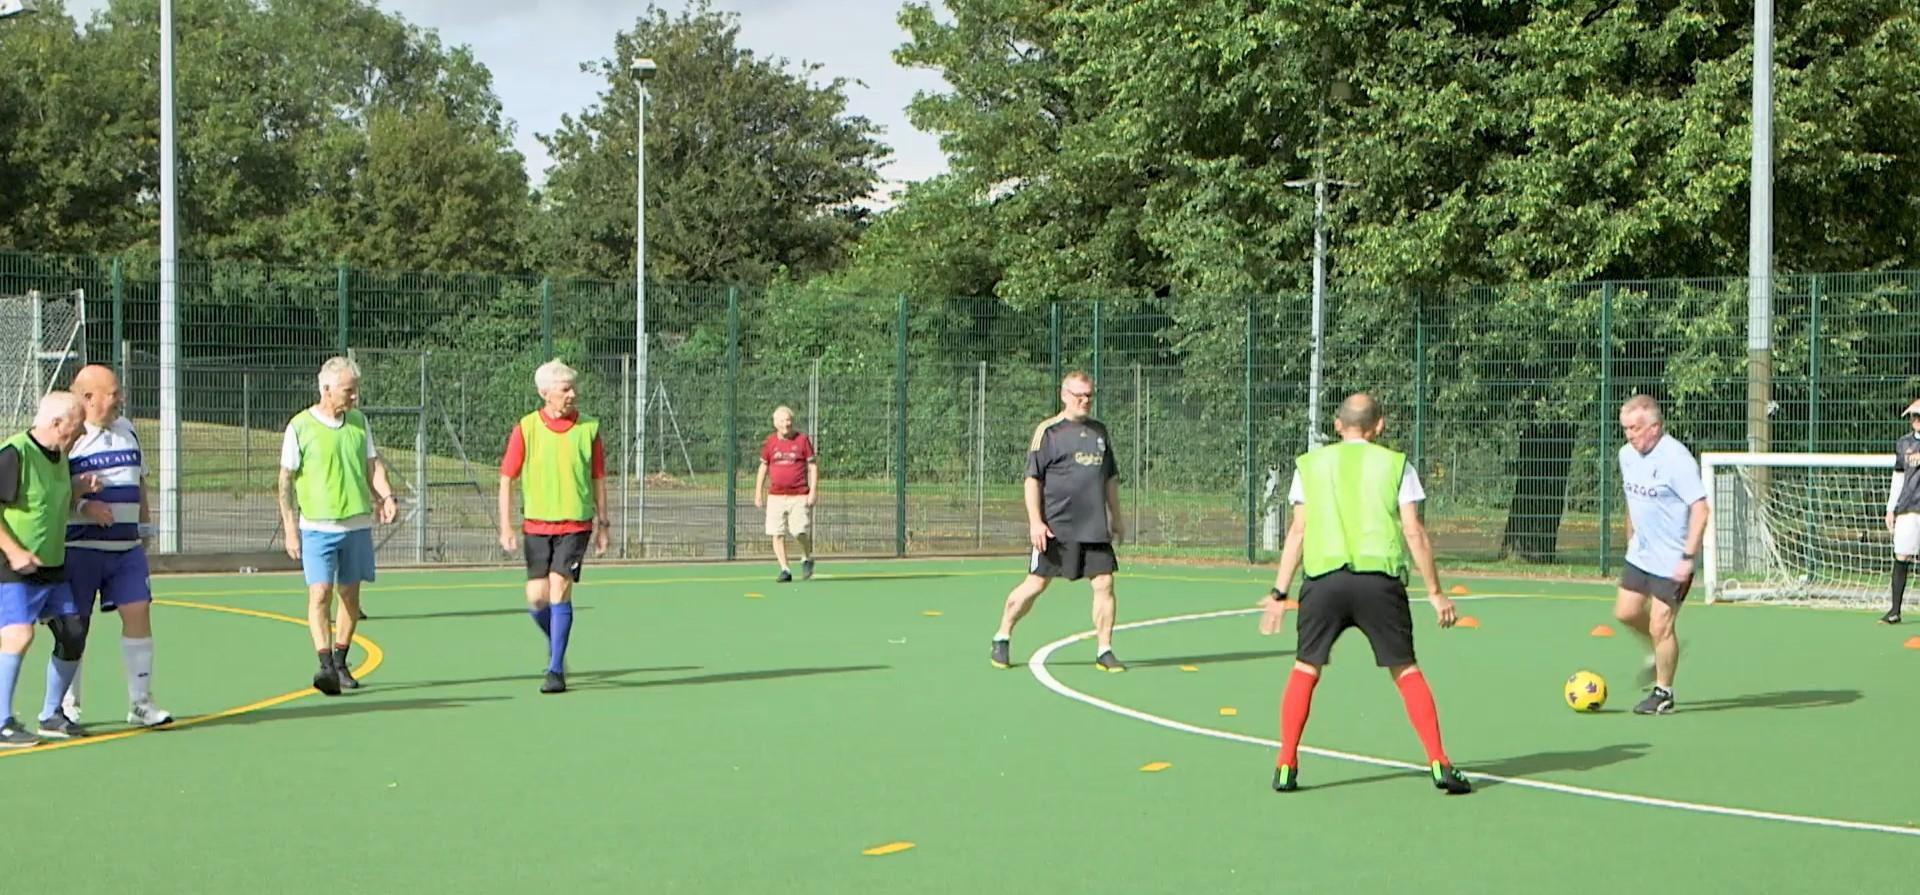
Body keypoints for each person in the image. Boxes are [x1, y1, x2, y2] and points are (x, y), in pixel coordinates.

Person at [1257, 393, 1470, 794]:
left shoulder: (1311, 465)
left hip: (1324, 580)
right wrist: (1436, 592)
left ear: (1337, 426)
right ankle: (1439, 761)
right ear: (1379, 426)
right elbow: (1413, 532)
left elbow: (1298, 532)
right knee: (1405, 669)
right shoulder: (1395, 464)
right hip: (1379, 582)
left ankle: (1285, 764)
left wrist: (1279, 591)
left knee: (1305, 668)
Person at [57, 365, 172, 728]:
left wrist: (145, 524)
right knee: (75, 626)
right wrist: (83, 503)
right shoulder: (68, 436)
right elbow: (52, 492)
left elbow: (139, 482)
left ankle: (140, 703)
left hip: (126, 549)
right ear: (88, 399)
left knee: (138, 610)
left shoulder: (128, 430)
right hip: (81, 548)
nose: (120, 398)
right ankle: (66, 704)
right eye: (113, 392)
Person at [990, 371, 1127, 672]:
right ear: (1064, 395)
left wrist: (1116, 517)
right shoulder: (1048, 432)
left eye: (1089, 395)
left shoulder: (1099, 432)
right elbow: (1031, 479)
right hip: (1055, 527)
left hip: (1093, 528)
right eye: (1078, 394)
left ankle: (1104, 650)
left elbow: (1110, 479)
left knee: (1104, 583)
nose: (1084, 400)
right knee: (1035, 585)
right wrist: (1035, 522)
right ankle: (1002, 636)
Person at [278, 357, 397, 696]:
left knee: (350, 595)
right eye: (349, 390)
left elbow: (373, 466)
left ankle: (342, 660)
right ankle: (325, 664)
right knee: (320, 593)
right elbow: (285, 480)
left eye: (355, 390)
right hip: (317, 527)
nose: (355, 397)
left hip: (356, 524)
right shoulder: (299, 427)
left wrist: (387, 496)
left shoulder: (359, 422)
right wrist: (289, 527)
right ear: (326, 389)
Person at [498, 360, 608, 694]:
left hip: (575, 524)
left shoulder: (589, 428)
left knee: (560, 586)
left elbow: (599, 478)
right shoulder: (526, 427)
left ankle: (555, 669)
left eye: (573, 388)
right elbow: (506, 478)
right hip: (536, 525)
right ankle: (556, 640)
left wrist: (603, 524)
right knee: (536, 598)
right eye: (565, 389)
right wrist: (506, 525)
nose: (572, 394)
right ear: (545, 393)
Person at [0, 392, 89, 746]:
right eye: (77, 427)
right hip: (11, 566)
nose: (80, 434)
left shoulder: (60, 459)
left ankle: (51, 715)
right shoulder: (14, 453)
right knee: (19, 635)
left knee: (72, 633)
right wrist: (15, 550)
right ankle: (2, 721)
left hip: (51, 566)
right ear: (56, 423)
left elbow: (48, 505)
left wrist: (80, 495)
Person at [1614, 394, 1707, 715]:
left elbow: (1700, 508)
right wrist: (1630, 539)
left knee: (1661, 626)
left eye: (1636, 428)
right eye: (1625, 428)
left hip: (1673, 558)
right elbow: (1631, 499)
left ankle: (1663, 693)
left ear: (1655, 427)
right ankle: (1658, 653)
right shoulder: (1626, 455)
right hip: (1641, 554)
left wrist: (1687, 556)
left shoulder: (1677, 459)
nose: (1630, 435)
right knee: (1625, 613)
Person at [753, 406, 817, 583]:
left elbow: (812, 467)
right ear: (775, 423)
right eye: (782, 421)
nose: (786, 424)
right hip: (776, 496)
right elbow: (763, 467)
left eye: (788, 420)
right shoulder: (770, 442)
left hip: (799, 495)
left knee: (799, 531)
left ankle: (806, 558)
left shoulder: (802, 440)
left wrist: (813, 491)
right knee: (777, 533)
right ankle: (785, 569)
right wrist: (758, 492)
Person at [1879, 399, 1920, 625]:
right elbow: (1898, 477)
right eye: (1913, 416)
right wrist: (1890, 508)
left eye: (1919, 416)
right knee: (1901, 555)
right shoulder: (1904, 444)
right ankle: (1895, 611)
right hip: (1908, 509)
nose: (1916, 420)